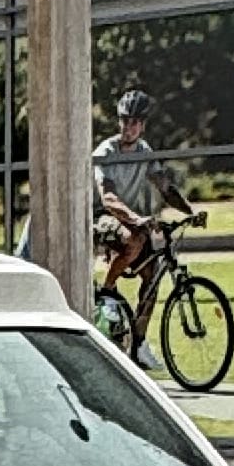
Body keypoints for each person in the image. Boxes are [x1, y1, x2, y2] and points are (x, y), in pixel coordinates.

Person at [87, 88, 201, 314]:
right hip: (98, 217)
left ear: (143, 126)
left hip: (126, 219)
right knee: (135, 239)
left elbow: (166, 188)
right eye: (124, 121)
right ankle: (105, 295)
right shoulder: (106, 152)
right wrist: (137, 219)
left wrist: (191, 212)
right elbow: (108, 198)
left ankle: (137, 334)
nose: (128, 128)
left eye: (134, 122)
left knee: (152, 276)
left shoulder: (144, 151)